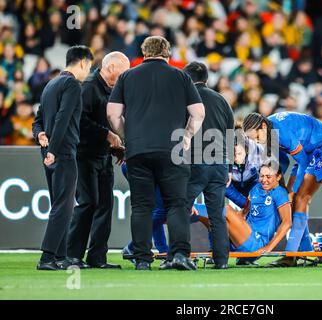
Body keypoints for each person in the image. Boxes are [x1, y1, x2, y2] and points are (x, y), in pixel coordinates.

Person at [107, 36, 205, 271]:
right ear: (167, 53)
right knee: (176, 204)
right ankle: (179, 255)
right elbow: (198, 113)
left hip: (138, 149)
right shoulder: (180, 75)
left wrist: (126, 133)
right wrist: (187, 136)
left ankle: (142, 259)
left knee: (141, 206)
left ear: (144, 52)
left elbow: (112, 114)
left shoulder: (127, 77)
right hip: (173, 150)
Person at [242, 111, 322, 267]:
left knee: (301, 197)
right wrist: (280, 190)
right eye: (253, 139)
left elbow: (302, 162)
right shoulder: (268, 132)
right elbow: (282, 164)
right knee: (289, 199)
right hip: (306, 151)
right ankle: (307, 254)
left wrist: (291, 192)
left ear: (262, 127)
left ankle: (290, 256)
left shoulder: (282, 134)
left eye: (257, 137)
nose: (257, 141)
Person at [65, 52, 130, 269]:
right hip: (84, 156)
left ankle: (97, 257)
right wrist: (107, 135)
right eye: (123, 72)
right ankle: (73, 256)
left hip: (102, 157)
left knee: (104, 206)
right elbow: (79, 121)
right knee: (87, 203)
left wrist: (115, 148)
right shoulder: (88, 86)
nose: (125, 77)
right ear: (110, 67)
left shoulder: (112, 90)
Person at [32, 45, 93, 271]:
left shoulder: (51, 84)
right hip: (62, 152)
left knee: (60, 204)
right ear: (83, 63)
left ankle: (60, 256)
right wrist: (54, 151)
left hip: (51, 152)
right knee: (64, 206)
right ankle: (48, 257)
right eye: (89, 67)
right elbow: (63, 118)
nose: (88, 72)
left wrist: (39, 135)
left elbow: (38, 119)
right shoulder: (72, 85)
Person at [181, 61, 235, 270]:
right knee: (217, 215)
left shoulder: (185, 98)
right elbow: (231, 135)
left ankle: (181, 255)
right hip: (220, 163)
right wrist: (229, 167)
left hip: (195, 161)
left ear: (186, 78)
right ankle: (221, 261)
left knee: (181, 209)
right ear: (207, 78)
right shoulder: (222, 100)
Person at [224, 160, 292, 255]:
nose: (264, 180)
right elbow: (245, 212)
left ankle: (219, 248)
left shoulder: (280, 193)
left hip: (257, 244)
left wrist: (268, 247)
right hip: (244, 238)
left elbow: (287, 222)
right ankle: (218, 248)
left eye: (268, 177)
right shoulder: (256, 189)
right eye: (261, 176)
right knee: (212, 217)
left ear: (278, 177)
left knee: (225, 209)